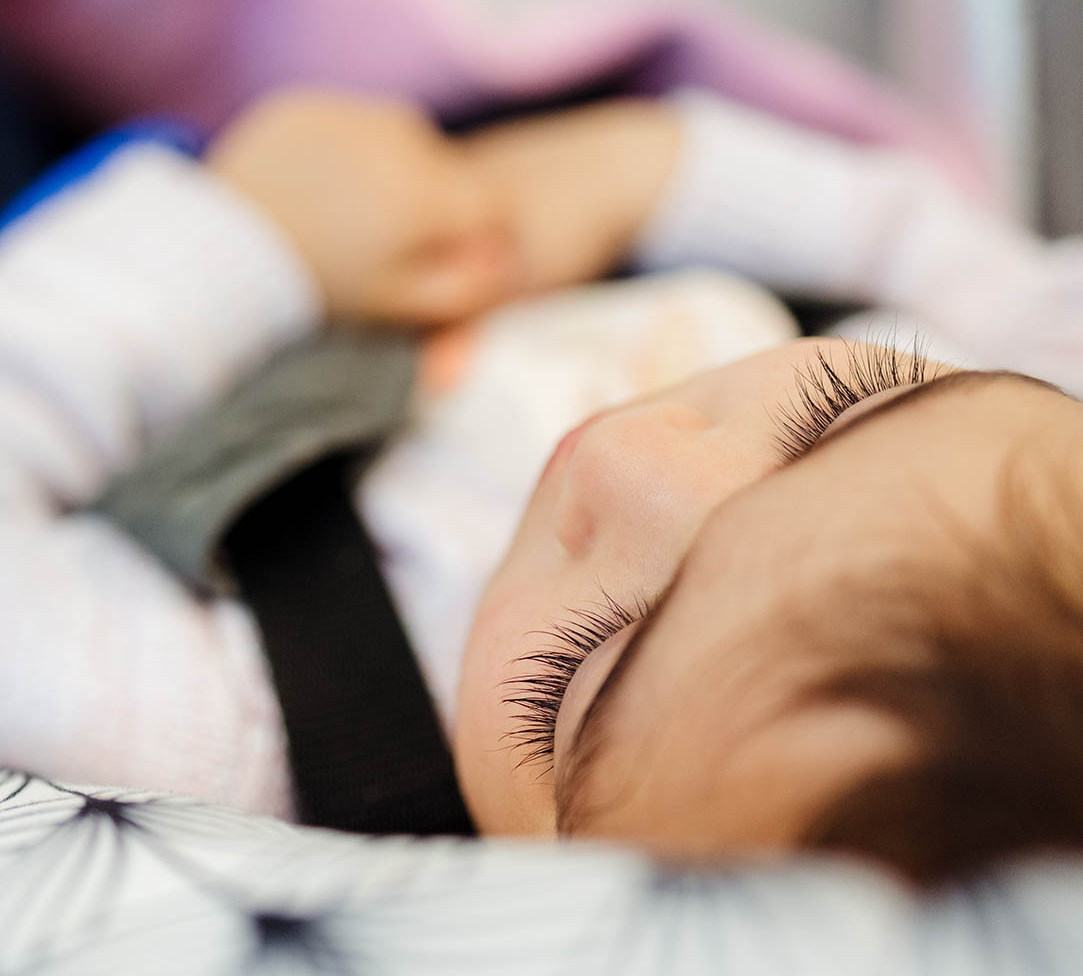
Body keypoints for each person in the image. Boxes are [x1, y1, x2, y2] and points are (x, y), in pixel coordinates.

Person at [2, 88, 1083, 885]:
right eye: (835, 414)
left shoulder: (233, 732)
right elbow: (976, 267)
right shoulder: (1013, 413)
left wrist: (251, 240)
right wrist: (636, 171)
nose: (622, 454)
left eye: (582, 665)